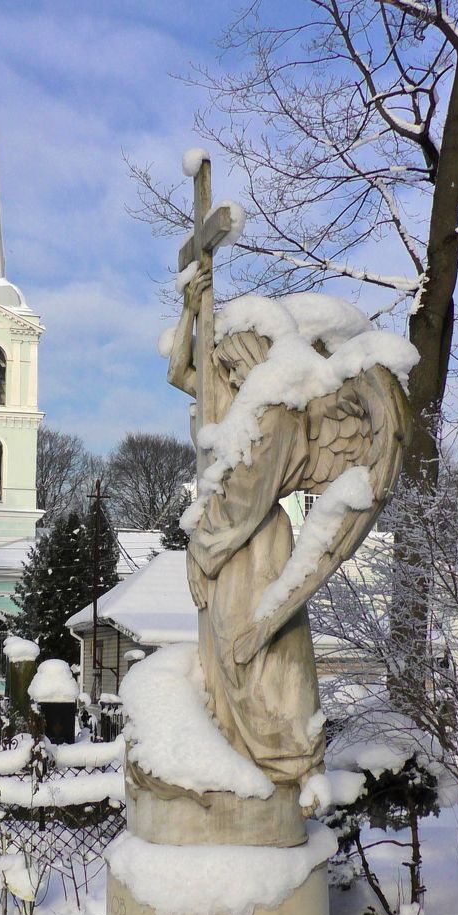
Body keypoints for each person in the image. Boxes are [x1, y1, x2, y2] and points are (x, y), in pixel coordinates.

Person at [167, 266, 325, 787]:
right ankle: (240, 760)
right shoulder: (235, 406)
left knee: (253, 651)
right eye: (225, 368)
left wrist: (199, 551)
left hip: (251, 541)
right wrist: (193, 308)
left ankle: (285, 765)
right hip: (224, 537)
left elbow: (248, 497)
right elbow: (180, 373)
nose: (226, 376)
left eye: (234, 366)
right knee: (225, 655)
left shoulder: (275, 416)